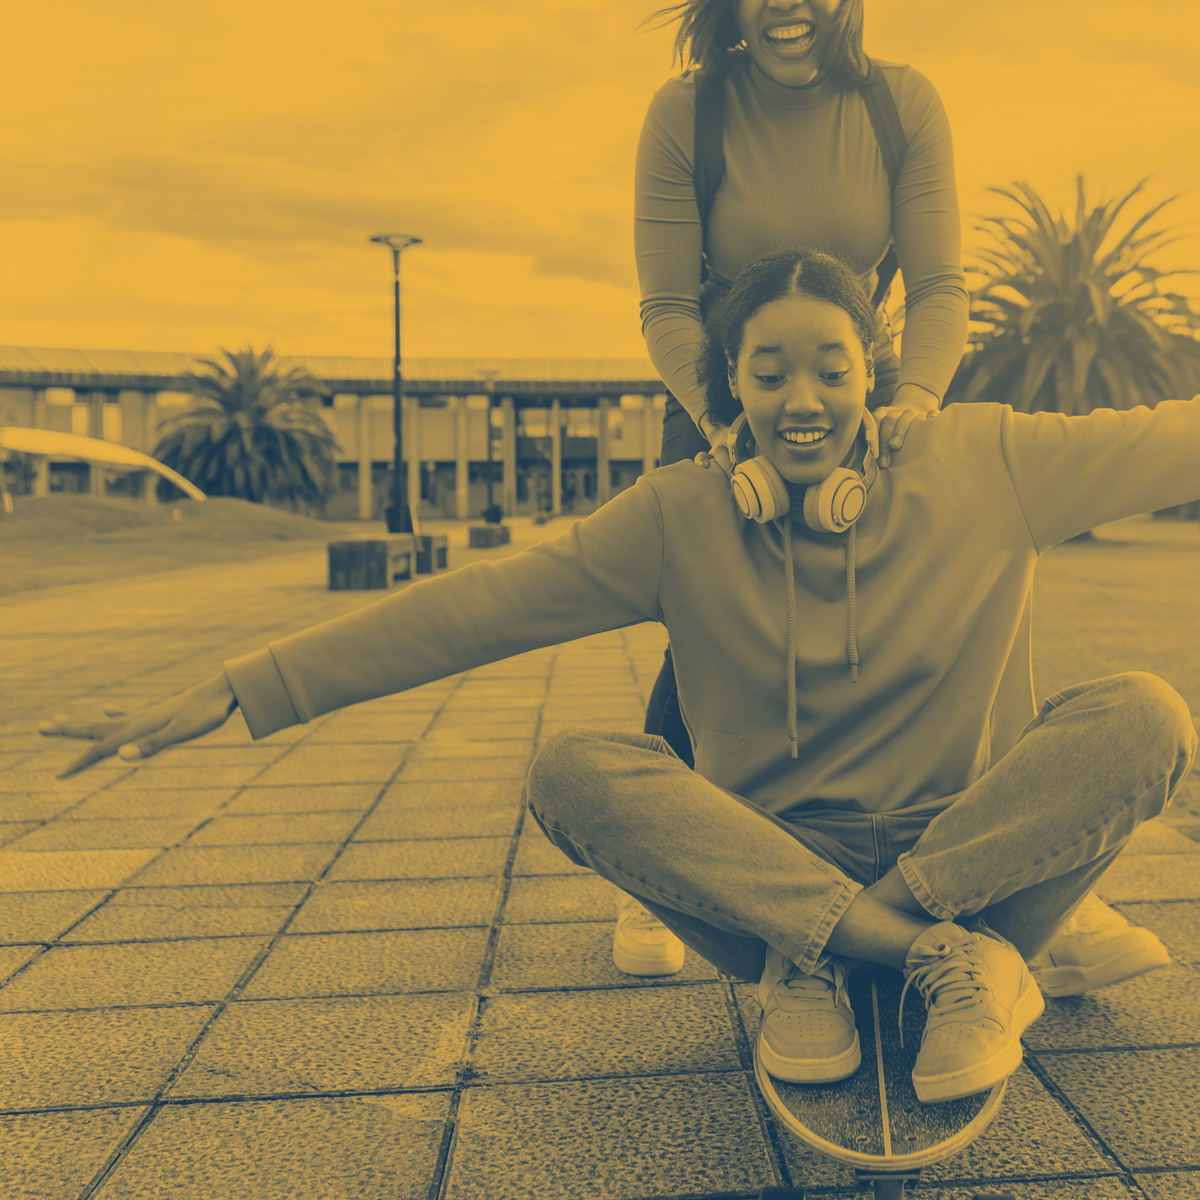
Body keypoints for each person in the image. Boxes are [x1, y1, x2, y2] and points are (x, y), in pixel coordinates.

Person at [43, 248, 1193, 1100]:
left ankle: (874, 946)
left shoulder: (988, 458)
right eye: (771, 372)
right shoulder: (679, 516)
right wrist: (249, 685)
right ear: (727, 389)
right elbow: (477, 608)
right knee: (576, 767)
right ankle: (925, 962)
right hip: (769, 875)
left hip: (967, 852)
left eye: (831, 369)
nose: (804, 401)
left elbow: (1174, 433)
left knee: (1145, 715)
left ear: (873, 375)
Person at [626, 0, 972, 972]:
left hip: (864, 390)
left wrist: (920, 405)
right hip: (723, 391)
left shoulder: (899, 105)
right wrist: (727, 422)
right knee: (714, 628)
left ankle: (976, 880)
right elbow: (664, 301)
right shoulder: (687, 112)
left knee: (909, 612)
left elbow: (941, 285)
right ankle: (665, 877)